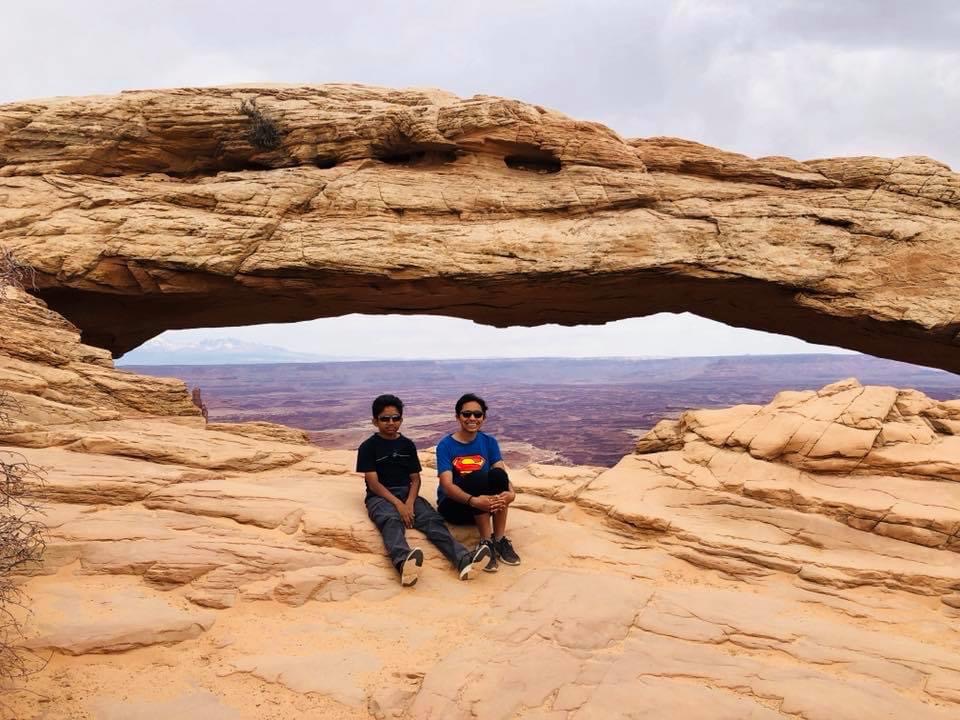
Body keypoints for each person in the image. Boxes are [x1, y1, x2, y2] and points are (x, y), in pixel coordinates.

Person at [357, 394, 490, 586]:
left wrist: (410, 502)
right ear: (375, 421)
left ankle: (464, 560)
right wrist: (399, 505)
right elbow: (373, 483)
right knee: (391, 520)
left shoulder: (407, 445)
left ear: (401, 419)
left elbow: (415, 479)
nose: (391, 422)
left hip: (407, 493)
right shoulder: (368, 447)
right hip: (379, 496)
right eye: (385, 419)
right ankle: (403, 563)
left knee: (432, 521)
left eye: (395, 418)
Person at [436, 393, 521, 572]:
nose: (472, 418)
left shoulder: (489, 442)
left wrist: (511, 493)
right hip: (455, 506)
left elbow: (501, 474)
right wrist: (473, 501)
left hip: (483, 505)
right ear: (457, 416)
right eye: (466, 414)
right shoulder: (445, 445)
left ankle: (499, 540)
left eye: (477, 414)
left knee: (496, 475)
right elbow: (447, 485)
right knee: (477, 476)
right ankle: (485, 542)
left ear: (483, 417)